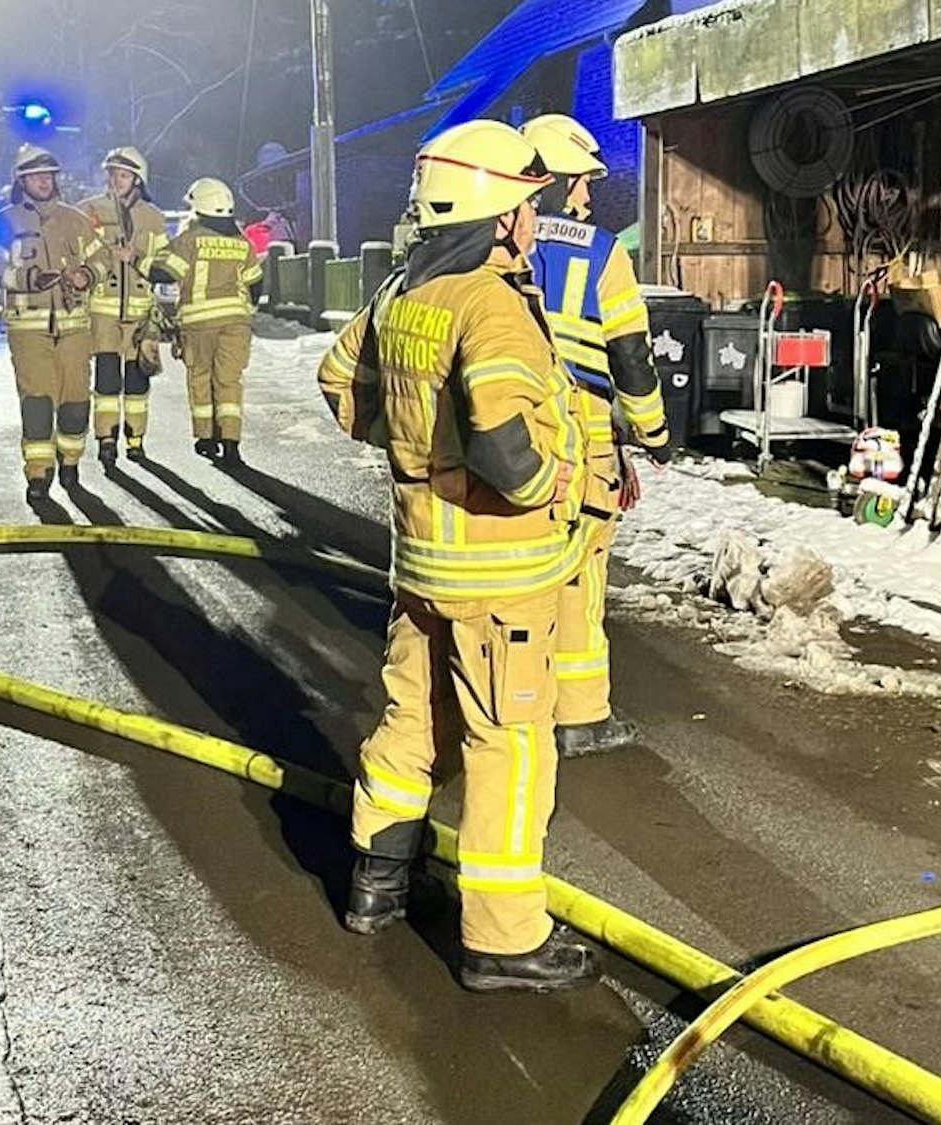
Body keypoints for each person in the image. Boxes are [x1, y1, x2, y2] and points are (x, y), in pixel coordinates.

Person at [317, 120, 597, 993]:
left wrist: (412, 448)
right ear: (498, 212)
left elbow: (339, 384)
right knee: (510, 750)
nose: (533, 218)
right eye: (527, 202)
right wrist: (553, 483)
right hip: (503, 581)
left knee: (410, 724)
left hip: (423, 572)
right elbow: (508, 452)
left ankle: (378, 881)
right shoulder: (489, 304)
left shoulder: (404, 291)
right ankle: (502, 938)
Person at [521, 113, 673, 759]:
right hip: (582, 435)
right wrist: (654, 433)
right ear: (551, 182)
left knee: (521, 572)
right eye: (579, 183)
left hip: (513, 430)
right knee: (580, 573)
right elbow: (631, 355)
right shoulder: (603, 251)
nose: (585, 198)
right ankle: (580, 715)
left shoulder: (494, 244)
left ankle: (514, 701)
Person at [0, 144, 107, 500]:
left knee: (76, 401)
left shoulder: (75, 219)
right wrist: (28, 279)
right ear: (22, 181)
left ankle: (70, 461)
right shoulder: (4, 220)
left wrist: (86, 275)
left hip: (74, 325)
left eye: (49, 176)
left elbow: (103, 259)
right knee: (37, 401)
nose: (44, 181)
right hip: (28, 327)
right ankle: (39, 474)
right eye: (36, 177)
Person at [152, 178, 263, 463]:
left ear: (198, 208)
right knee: (229, 381)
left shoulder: (190, 240)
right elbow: (255, 285)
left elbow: (163, 275)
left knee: (200, 378)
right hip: (237, 323)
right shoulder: (242, 243)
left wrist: (139, 261)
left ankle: (206, 438)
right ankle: (230, 441)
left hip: (199, 324)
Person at [76, 147, 170, 468]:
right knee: (105, 380)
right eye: (113, 173)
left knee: (137, 379)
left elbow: (163, 265)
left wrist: (137, 259)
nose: (117, 180)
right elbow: (76, 253)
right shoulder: (89, 211)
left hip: (141, 313)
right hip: (102, 311)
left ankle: (136, 439)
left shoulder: (154, 218)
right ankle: (106, 439)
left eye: (125, 175)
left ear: (138, 180)